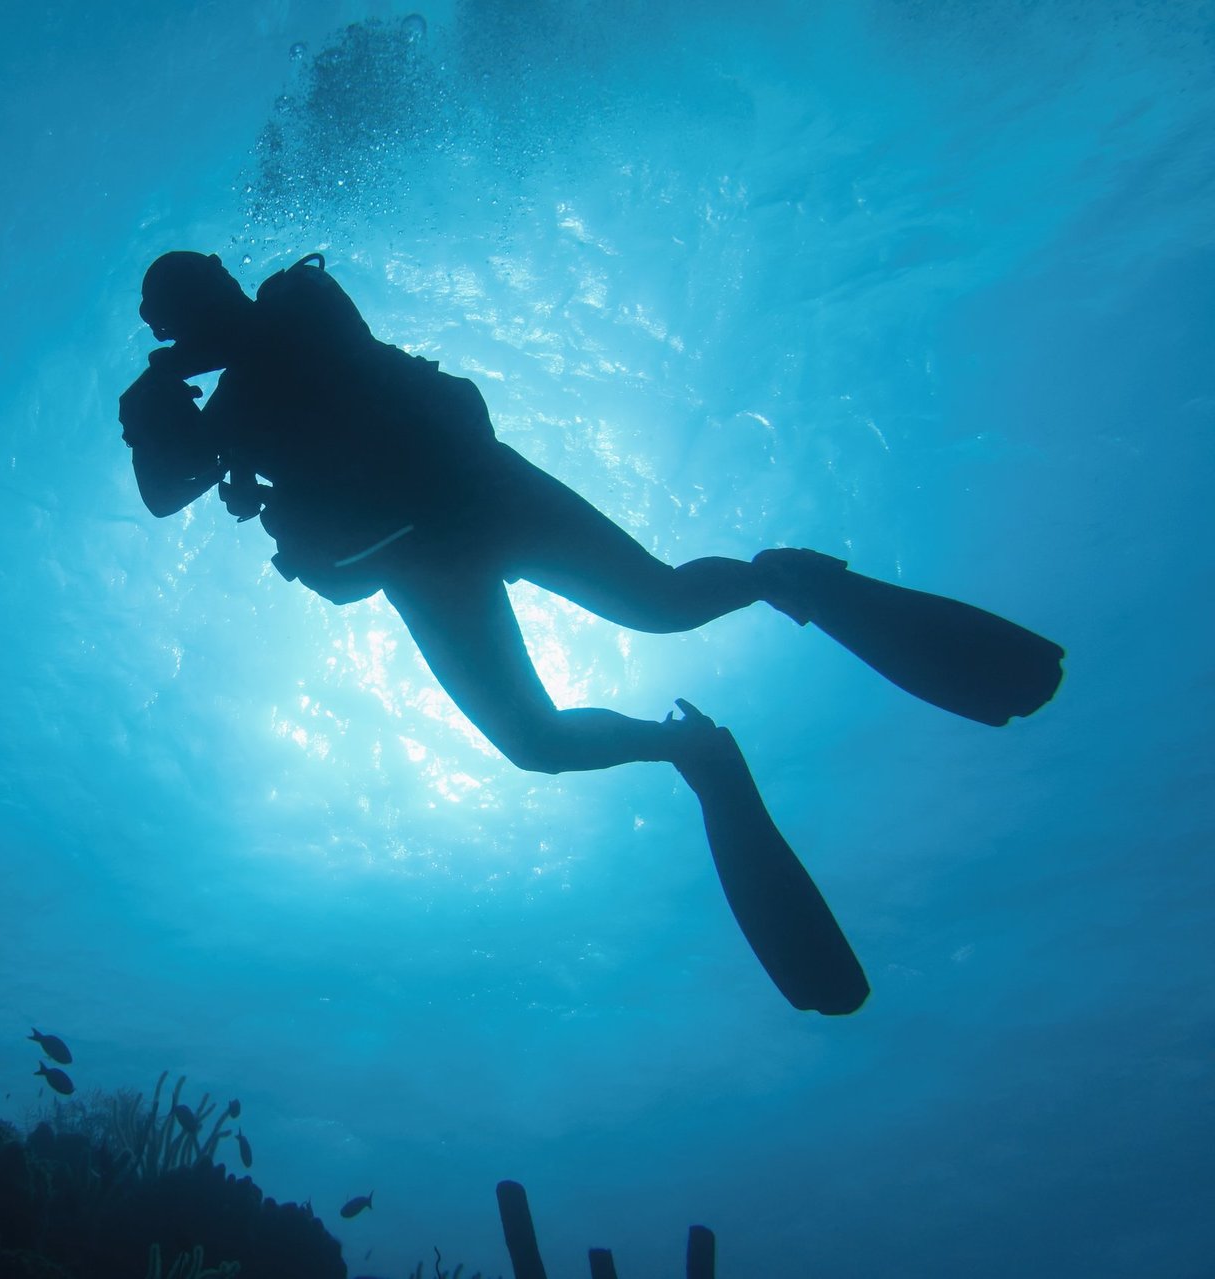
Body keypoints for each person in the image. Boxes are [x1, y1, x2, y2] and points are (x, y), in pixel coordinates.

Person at [119, 251, 1064, 1015]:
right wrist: (153, 421)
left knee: (661, 602)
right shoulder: (218, 407)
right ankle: (692, 750)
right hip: (421, 567)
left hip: (481, 495)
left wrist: (184, 396)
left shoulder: (294, 302)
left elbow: (298, 357)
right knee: (537, 740)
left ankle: (785, 578)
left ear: (216, 287)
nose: (172, 331)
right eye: (167, 321)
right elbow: (168, 495)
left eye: (177, 308)